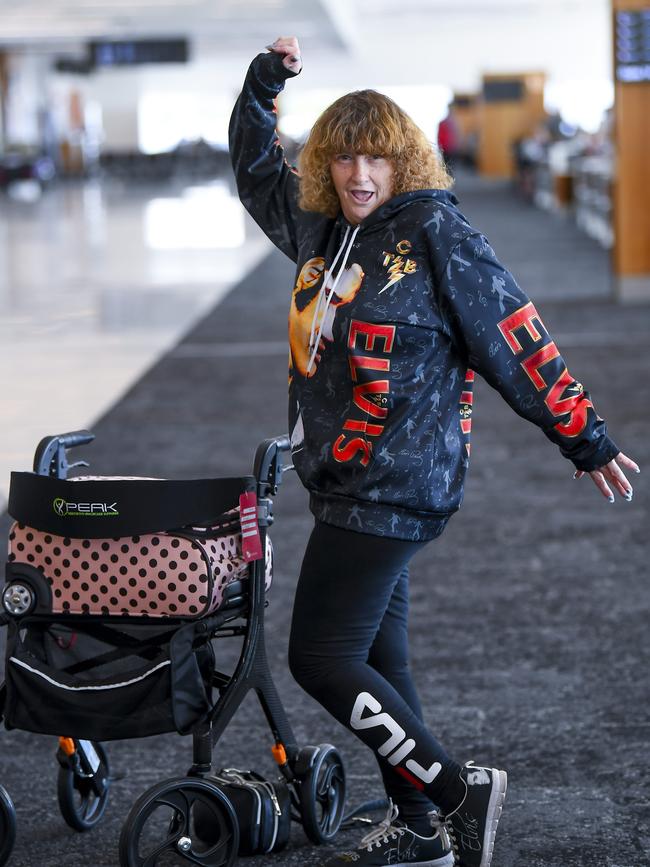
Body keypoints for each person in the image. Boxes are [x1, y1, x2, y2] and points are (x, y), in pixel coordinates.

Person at [229, 37, 639, 867]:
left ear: (406, 159)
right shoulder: (318, 228)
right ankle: (420, 828)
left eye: (376, 156)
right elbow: (251, 166)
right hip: (343, 481)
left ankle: (456, 793)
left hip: (401, 483)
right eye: (342, 158)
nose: (358, 175)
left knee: (319, 656)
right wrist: (264, 82)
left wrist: (582, 435)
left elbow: (514, 339)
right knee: (380, 658)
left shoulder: (434, 232)